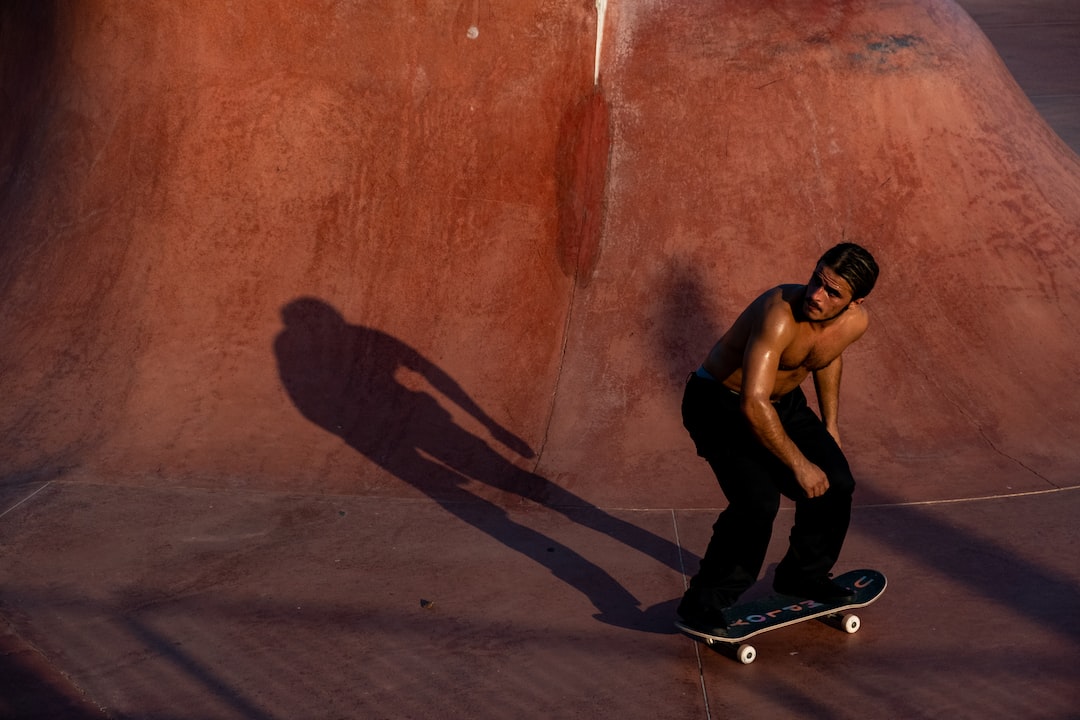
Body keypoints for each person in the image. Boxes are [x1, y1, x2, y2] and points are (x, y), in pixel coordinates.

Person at [677, 242, 879, 632]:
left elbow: (827, 355)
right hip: (719, 403)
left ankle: (802, 575)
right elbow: (753, 404)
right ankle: (703, 603)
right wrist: (800, 466)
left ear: (855, 302)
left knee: (837, 483)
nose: (817, 296)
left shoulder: (855, 323)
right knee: (757, 501)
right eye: (816, 280)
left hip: (783, 402)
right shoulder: (780, 315)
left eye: (833, 292)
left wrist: (831, 425)